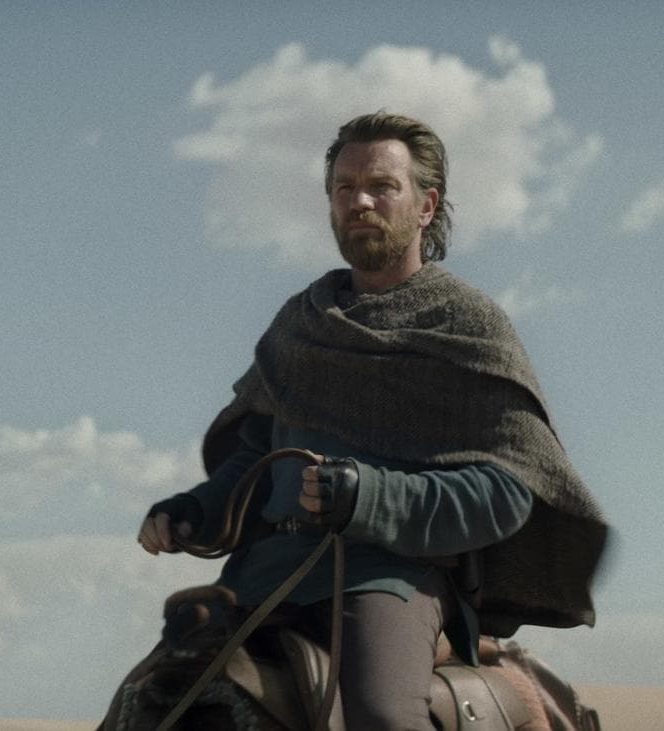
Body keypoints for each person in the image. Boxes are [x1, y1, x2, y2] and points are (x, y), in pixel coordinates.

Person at [138, 111, 606, 730]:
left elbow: (506, 493)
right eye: (343, 187)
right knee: (144, 704)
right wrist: (195, 509)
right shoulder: (299, 323)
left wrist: (369, 496)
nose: (359, 200)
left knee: (382, 717)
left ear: (426, 205)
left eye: (382, 186)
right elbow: (254, 457)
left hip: (390, 577)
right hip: (265, 577)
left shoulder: (468, 326)